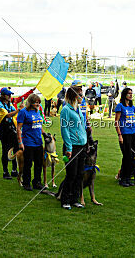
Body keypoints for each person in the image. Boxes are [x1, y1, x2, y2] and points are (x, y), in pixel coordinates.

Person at [59, 82, 87, 210]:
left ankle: (75, 199)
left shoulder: (78, 109)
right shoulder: (66, 110)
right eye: (80, 95)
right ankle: (65, 199)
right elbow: (65, 130)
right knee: (71, 174)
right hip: (72, 146)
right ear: (75, 96)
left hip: (82, 145)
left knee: (80, 174)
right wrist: (69, 148)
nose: (82, 97)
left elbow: (81, 126)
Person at [17, 94, 46, 191]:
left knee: (39, 163)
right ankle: (26, 183)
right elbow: (19, 128)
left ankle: (37, 182)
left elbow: (39, 124)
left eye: (39, 102)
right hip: (28, 142)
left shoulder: (38, 111)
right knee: (28, 164)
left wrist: (44, 134)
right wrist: (20, 142)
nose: (38, 104)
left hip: (38, 141)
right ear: (30, 102)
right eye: (36, 102)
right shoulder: (23, 112)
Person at [0, 87, 23, 179]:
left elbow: (14, 113)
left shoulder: (10, 104)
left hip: (11, 130)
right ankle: (5, 172)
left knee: (16, 148)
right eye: (8, 95)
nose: (10, 96)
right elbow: (7, 115)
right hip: (3, 131)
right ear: (3, 95)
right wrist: (19, 110)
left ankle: (14, 170)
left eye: (10, 94)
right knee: (5, 150)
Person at [115, 88, 135, 187]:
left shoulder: (132, 107)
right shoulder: (120, 106)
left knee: (132, 156)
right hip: (125, 134)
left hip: (133, 133)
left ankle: (128, 178)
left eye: (131, 93)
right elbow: (116, 121)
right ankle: (122, 178)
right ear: (124, 94)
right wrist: (120, 135)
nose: (130, 95)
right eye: (129, 93)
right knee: (126, 156)